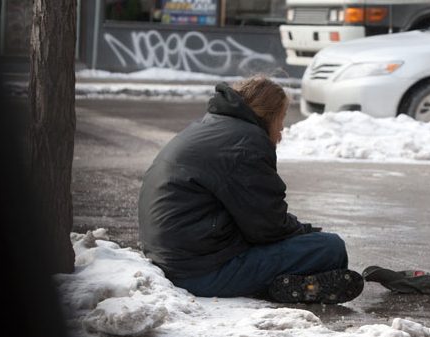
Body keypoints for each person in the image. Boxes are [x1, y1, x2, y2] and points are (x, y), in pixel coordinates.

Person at [138, 75, 363, 303]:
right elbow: (268, 226)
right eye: (282, 119)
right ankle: (281, 286)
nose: (282, 130)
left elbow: (254, 215)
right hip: (199, 273)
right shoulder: (246, 144)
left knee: (309, 245)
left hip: (170, 258)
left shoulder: (212, 126)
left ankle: (284, 284)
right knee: (330, 248)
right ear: (271, 115)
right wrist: (307, 233)